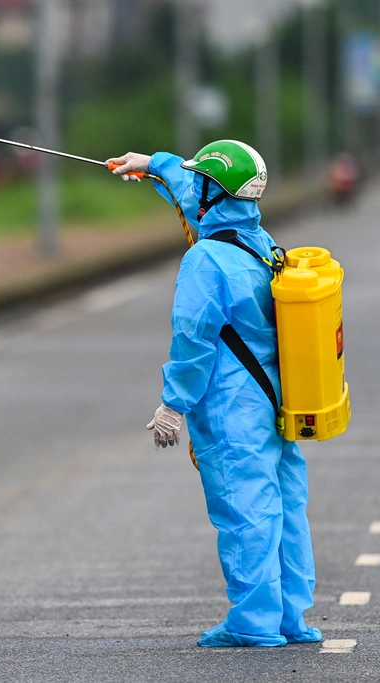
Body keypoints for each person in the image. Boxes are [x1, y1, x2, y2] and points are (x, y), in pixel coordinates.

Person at [107, 141, 321, 648]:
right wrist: (154, 165)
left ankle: (253, 624)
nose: (193, 185)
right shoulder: (257, 239)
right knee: (284, 507)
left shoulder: (207, 261)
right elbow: (199, 196)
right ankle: (290, 617)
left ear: (214, 190)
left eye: (201, 179)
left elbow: (194, 339)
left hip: (232, 409)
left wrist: (172, 404)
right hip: (274, 401)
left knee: (245, 510)